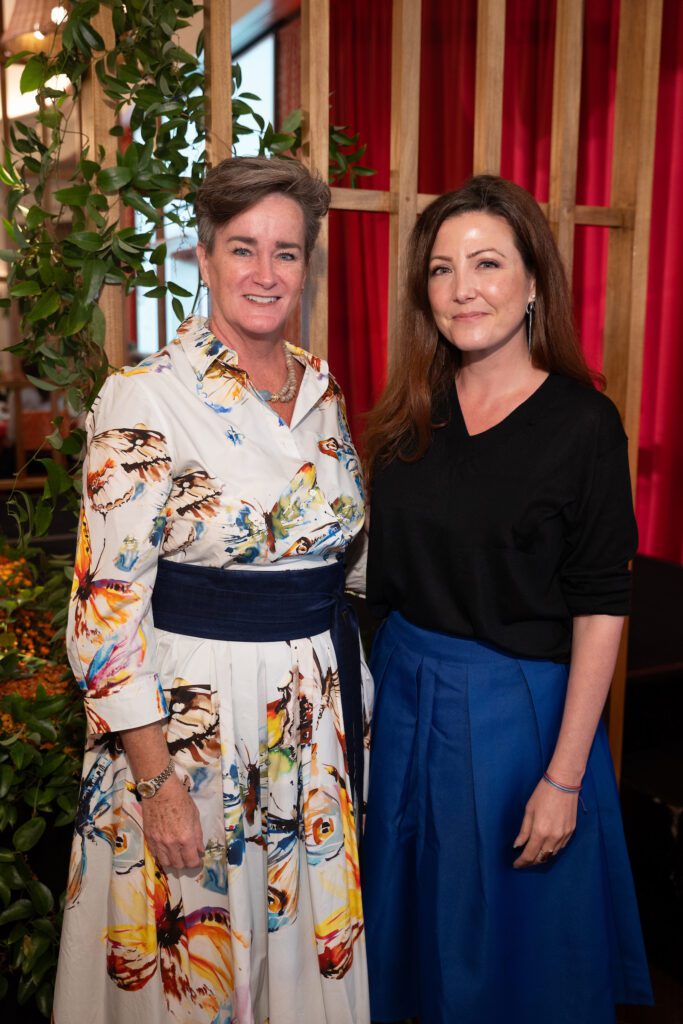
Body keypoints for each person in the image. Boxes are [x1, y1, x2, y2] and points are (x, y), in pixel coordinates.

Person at [54, 156, 371, 1024]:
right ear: (204, 256)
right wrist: (155, 783)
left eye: (287, 251)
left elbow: (340, 552)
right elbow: (105, 609)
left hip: (308, 718)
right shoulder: (146, 395)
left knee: (301, 949)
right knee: (192, 958)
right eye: (243, 249)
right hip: (192, 727)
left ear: (308, 263)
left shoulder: (321, 388)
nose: (265, 274)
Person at [361, 175, 652, 1024]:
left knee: (510, 969)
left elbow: (603, 603)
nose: (462, 289)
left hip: (515, 723)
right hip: (407, 703)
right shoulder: (408, 414)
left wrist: (564, 777)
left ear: (532, 282)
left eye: (486, 263)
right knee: (409, 949)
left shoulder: (582, 423)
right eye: (442, 269)